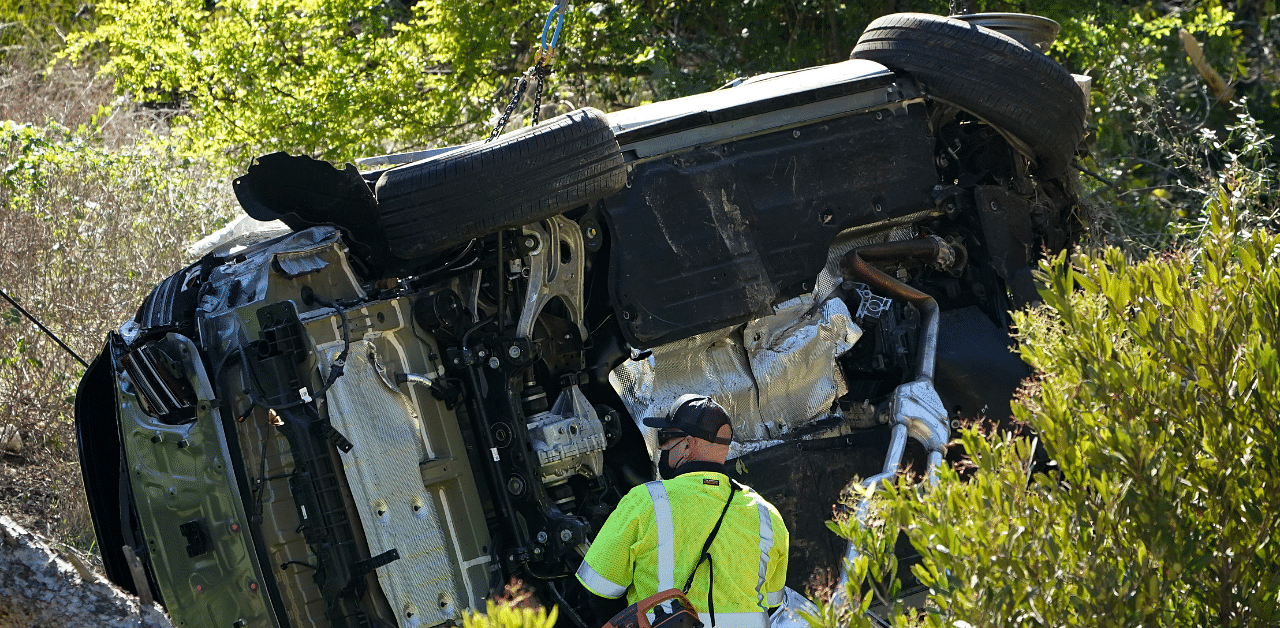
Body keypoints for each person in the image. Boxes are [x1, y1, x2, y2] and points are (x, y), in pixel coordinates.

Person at [576, 394, 789, 628]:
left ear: (687, 445)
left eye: (665, 437)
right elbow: (772, 605)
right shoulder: (767, 514)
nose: (660, 446)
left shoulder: (646, 501)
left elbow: (598, 592)